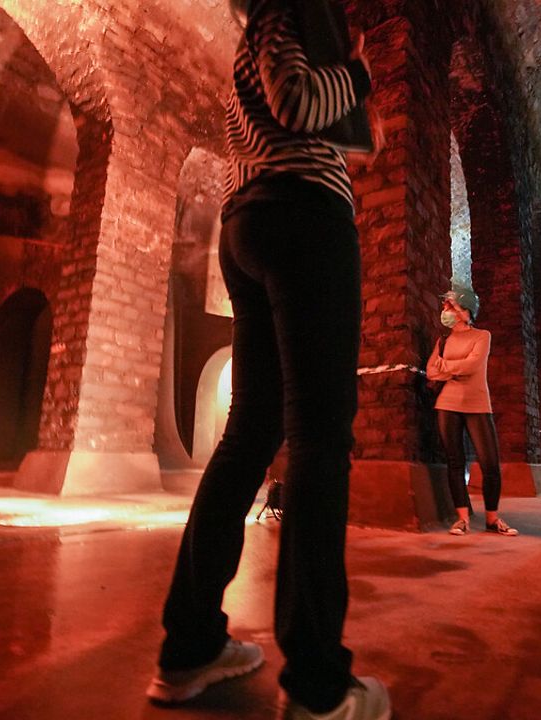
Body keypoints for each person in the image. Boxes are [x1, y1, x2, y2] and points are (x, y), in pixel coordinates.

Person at [147, 1, 391, 718]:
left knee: (251, 434)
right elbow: (301, 99)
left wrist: (347, 105)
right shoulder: (291, 9)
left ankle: (189, 648)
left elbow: (288, 111)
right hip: (304, 220)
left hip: (247, 220)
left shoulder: (257, 38)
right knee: (319, 439)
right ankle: (318, 688)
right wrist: (360, 72)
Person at [426, 285, 519, 537]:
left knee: (490, 463)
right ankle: (462, 519)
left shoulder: (482, 336)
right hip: (447, 404)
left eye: (451, 306)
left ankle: (492, 519)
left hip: (478, 405)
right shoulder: (443, 340)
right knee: (455, 462)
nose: (445, 310)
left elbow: (473, 365)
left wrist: (447, 366)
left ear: (466, 312)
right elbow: (432, 371)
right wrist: (454, 366)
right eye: (445, 306)